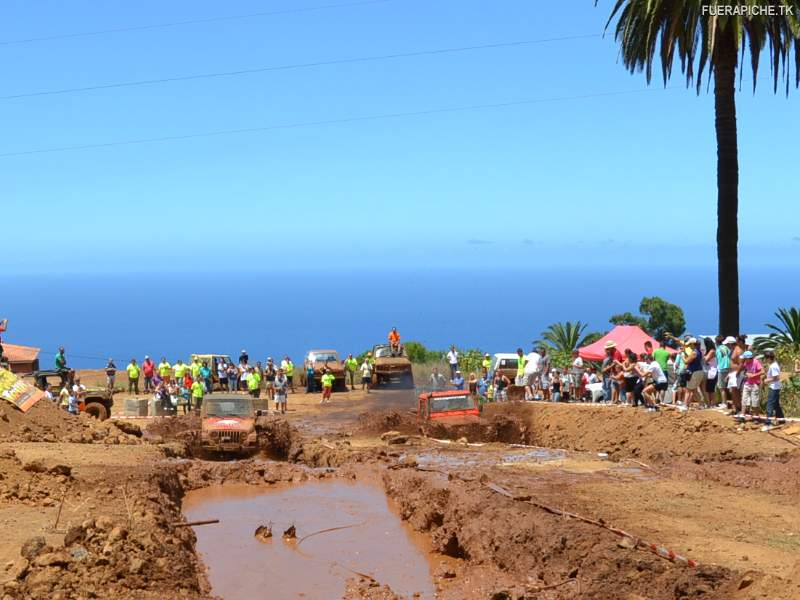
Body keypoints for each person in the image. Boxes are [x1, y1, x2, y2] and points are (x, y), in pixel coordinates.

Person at [763, 350, 784, 430]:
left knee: (770, 405)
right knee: (776, 405)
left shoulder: (773, 366)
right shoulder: (773, 365)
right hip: (775, 387)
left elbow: (776, 377)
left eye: (765, 358)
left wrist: (767, 380)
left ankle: (768, 423)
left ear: (768, 358)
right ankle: (781, 420)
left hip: (774, 388)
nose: (765, 360)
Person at [740, 351, 763, 417]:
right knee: (744, 399)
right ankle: (742, 415)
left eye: (745, 358)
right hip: (747, 383)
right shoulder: (745, 363)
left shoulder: (756, 362)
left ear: (748, 358)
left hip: (754, 384)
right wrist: (746, 374)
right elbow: (744, 371)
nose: (744, 360)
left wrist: (753, 375)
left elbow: (763, 371)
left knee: (754, 402)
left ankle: (756, 416)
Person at [716, 336, 734, 408]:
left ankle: (724, 403)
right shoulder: (727, 348)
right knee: (730, 387)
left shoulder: (718, 349)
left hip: (722, 368)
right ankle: (733, 403)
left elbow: (718, 359)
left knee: (721, 387)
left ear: (717, 342)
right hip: (729, 367)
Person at [702, 337, 718, 407]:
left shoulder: (712, 351)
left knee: (711, 389)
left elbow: (705, 360)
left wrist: (702, 355)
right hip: (709, 371)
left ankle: (713, 403)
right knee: (708, 388)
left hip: (713, 371)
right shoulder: (709, 351)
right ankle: (709, 403)